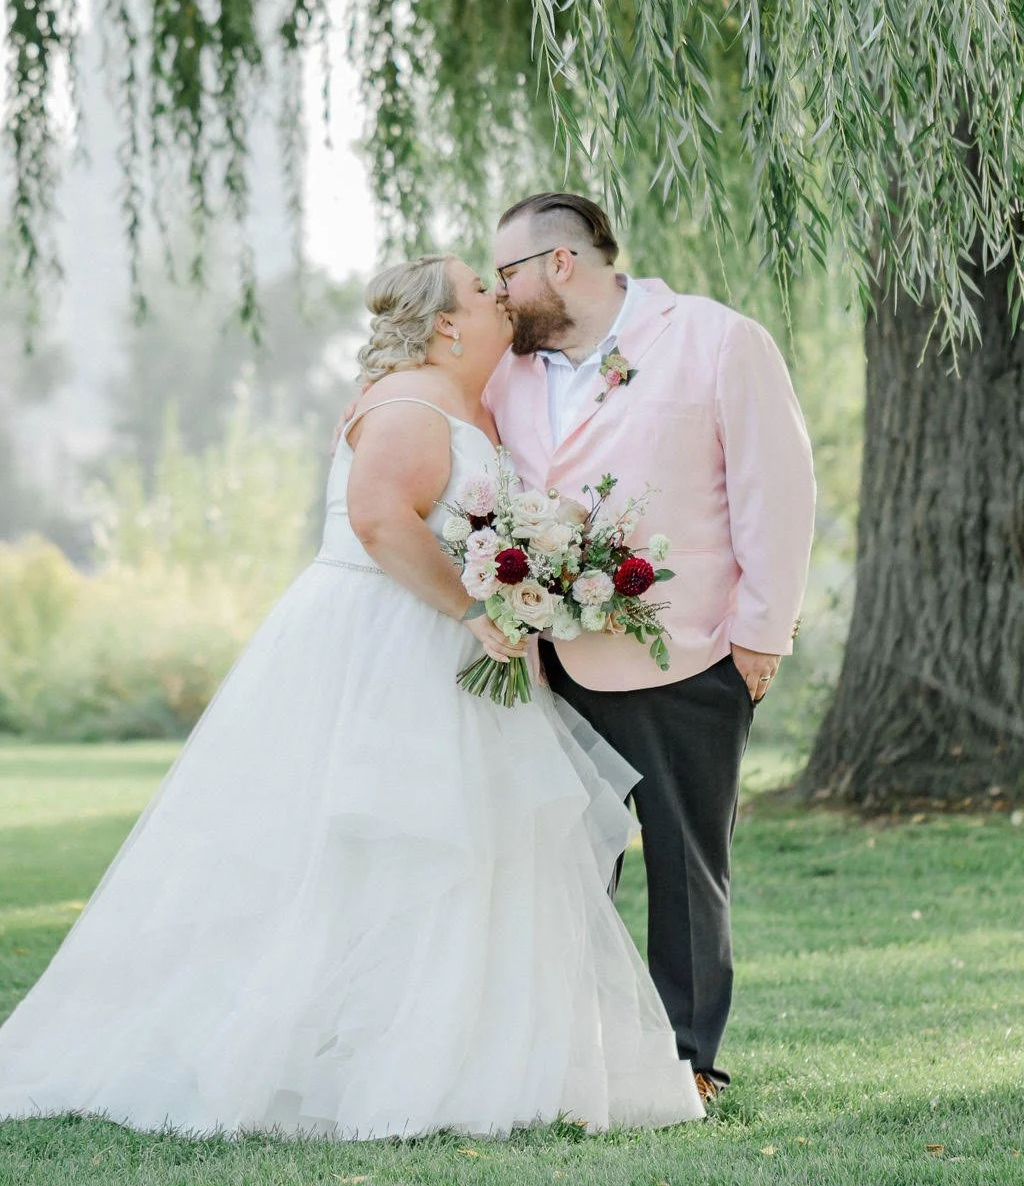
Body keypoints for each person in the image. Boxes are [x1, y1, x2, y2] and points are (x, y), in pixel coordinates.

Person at [0, 255, 703, 1139]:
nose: (498, 295)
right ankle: (347, 1057)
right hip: (389, 645)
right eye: (482, 289)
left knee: (466, 852)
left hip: (441, 644)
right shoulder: (412, 402)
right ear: (448, 324)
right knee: (391, 844)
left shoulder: (455, 398)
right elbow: (378, 519)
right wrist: (472, 610)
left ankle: (460, 1052)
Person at [485, 194, 816, 1104]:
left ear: (561, 263)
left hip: (689, 653)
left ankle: (686, 1062)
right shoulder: (506, 375)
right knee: (561, 864)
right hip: (547, 662)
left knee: (684, 865)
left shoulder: (716, 340)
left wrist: (759, 637)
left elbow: (776, 492)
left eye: (506, 273)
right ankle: (570, 1051)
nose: (496, 293)